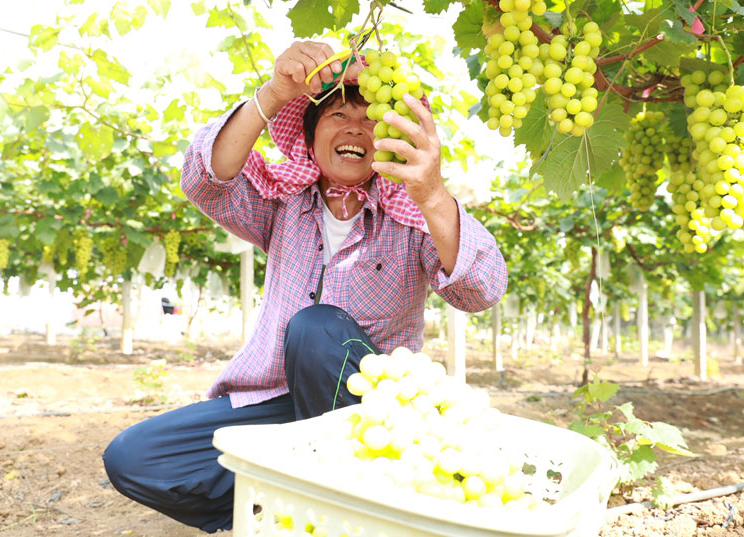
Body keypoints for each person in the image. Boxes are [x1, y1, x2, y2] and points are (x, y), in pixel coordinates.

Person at [102, 41, 507, 533]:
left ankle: (354, 506)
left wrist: (433, 194)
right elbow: (204, 180)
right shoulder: (283, 205)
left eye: (371, 117)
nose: (356, 126)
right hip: (280, 404)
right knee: (136, 458)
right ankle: (283, 504)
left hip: (375, 417)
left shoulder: (414, 216)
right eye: (337, 113)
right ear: (311, 140)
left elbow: (481, 290)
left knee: (316, 329)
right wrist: (274, 94)